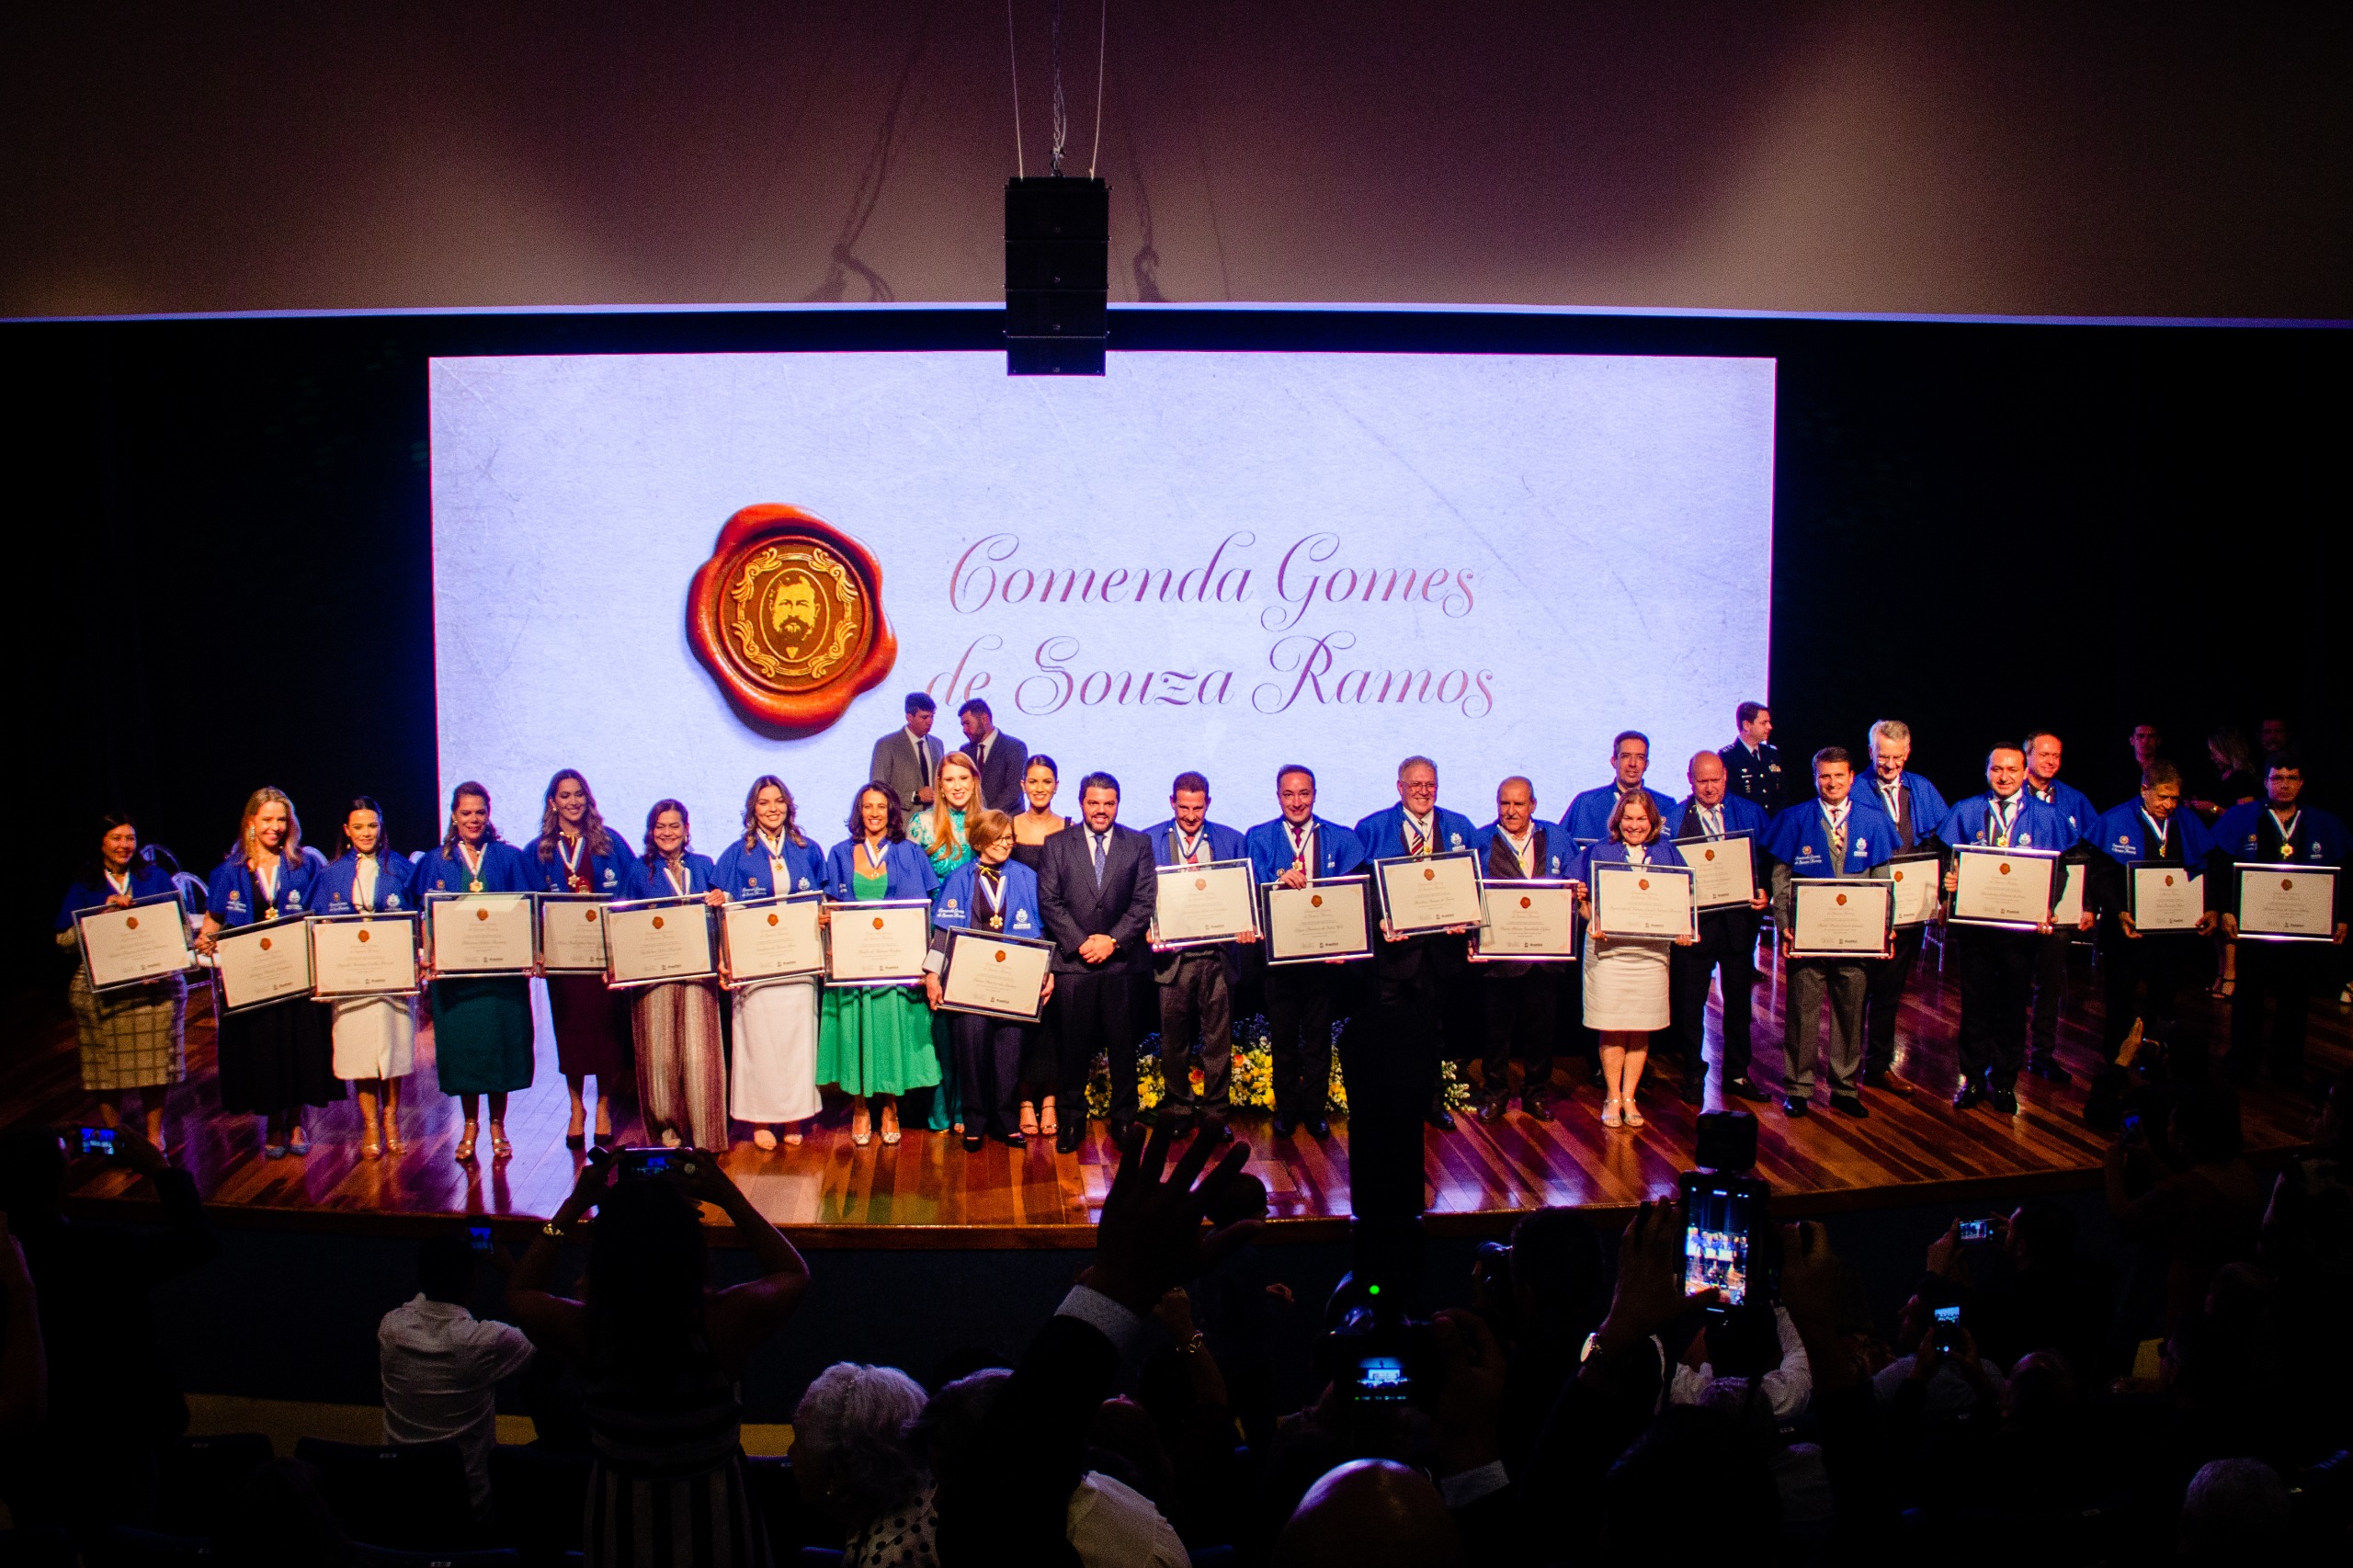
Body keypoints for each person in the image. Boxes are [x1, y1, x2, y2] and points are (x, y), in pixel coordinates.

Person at [507, 1152, 812, 1568]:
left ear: (603, 1252)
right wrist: (728, 1196)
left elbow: (520, 1291)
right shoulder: (719, 1323)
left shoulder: (588, 1331)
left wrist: (576, 1203)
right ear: (691, 1245)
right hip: (720, 1527)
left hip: (620, 1528)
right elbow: (794, 1274)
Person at [0, 1122, 217, 1535]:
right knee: (127, 1539)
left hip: (31, 1454)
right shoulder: (101, 1250)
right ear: (62, 1178)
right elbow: (199, 1242)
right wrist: (161, 1170)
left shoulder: (10, 1262)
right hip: (119, 1442)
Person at [1936, 747, 2087, 1114]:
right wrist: (1948, 883)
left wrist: (2045, 906)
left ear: (2024, 772)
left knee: (2012, 1007)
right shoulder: (1967, 810)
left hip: (2021, 933)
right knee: (1974, 1007)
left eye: (2012, 769)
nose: (2004, 776)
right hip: (1976, 930)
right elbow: (1946, 861)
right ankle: (1972, 1079)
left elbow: (2060, 871)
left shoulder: (2046, 816)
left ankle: (2004, 1082)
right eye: (1997, 769)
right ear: (1986, 770)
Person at [196, 787, 337, 1159]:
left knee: (297, 1047)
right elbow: (214, 920)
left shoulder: (305, 865)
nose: (275, 827)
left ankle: (296, 1120)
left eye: (281, 820)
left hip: (297, 977)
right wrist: (205, 939)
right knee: (263, 1051)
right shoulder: (228, 871)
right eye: (267, 819)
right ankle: (273, 1121)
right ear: (251, 823)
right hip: (251, 982)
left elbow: (321, 916)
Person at [1762, 747, 1896, 1119]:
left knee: (1851, 1013)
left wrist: (1885, 928)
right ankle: (1799, 1087)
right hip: (1807, 939)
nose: (1832, 783)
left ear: (1852, 777)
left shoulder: (1873, 820)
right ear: (1815, 778)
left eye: (1839, 776)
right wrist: (1785, 926)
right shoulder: (1796, 819)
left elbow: (1883, 883)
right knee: (1802, 1013)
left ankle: (1844, 1087)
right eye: (1825, 776)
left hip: (1857, 940)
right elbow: (1781, 880)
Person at [1355, 755, 1480, 1138]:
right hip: (1393, 953)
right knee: (1389, 1032)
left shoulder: (1459, 826)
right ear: (1400, 788)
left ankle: (1432, 1103)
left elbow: (1474, 884)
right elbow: (1362, 887)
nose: (1423, 792)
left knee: (1432, 1031)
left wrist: (1469, 920)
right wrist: (1379, 920)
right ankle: (1391, 1103)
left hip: (1440, 953)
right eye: (1416, 785)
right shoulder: (1372, 827)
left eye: (1430, 785)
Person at [2210, 752, 2348, 1092]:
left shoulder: (2321, 822)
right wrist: (2224, 909)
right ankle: (2242, 1061)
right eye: (2277, 778)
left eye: (2291, 778)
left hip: (2301, 929)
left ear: (2301, 783)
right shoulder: (2242, 819)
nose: (2283, 785)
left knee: (2296, 997)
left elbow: (2343, 875)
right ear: (2266, 782)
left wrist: (2341, 917)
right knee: (2249, 994)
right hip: (2254, 927)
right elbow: (2219, 869)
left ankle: (2287, 1066)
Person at [417, 781, 539, 1164]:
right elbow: (424, 916)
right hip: (456, 981)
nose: (473, 819)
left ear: (489, 815)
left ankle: (498, 1126)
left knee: (499, 1047)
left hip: (500, 978)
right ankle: (469, 1124)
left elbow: (527, 910)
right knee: (466, 1050)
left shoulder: (508, 857)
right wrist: (428, 957)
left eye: (480, 813)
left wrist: (532, 952)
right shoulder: (436, 860)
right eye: (466, 813)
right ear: (453, 815)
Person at [378, 1229, 536, 1520]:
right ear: (473, 1281)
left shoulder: (390, 1329)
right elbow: (549, 1335)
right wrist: (509, 1269)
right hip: (472, 1510)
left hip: (398, 1505)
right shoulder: (485, 1342)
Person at [52, 812, 187, 1152]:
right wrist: (98, 919)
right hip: (104, 993)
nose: (125, 845)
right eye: (116, 838)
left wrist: (167, 963)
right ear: (101, 842)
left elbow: (182, 927)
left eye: (130, 838)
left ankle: (155, 1136)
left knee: (155, 1067)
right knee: (106, 1071)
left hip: (152, 989)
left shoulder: (154, 877)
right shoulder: (86, 884)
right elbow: (63, 941)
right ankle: (112, 1140)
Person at [1039, 772, 1157, 1153]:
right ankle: (1072, 1121)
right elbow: (1049, 902)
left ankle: (1124, 1120)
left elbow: (1143, 901)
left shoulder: (1138, 843)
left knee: (1123, 1047)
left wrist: (1114, 941)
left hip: (1122, 964)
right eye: (1094, 803)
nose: (1101, 810)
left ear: (1117, 804)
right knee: (1073, 1048)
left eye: (1108, 803)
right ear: (1081, 803)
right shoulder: (1057, 844)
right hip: (1075, 965)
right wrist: (1081, 943)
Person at [1245, 766, 1366, 1140]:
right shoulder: (1259, 837)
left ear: (1314, 794)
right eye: (1288, 794)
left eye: (1304, 794)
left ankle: (1314, 1110)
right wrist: (1279, 876)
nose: (1296, 802)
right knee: (1282, 1038)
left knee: (1317, 1037)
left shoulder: (1338, 837)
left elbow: (1352, 896)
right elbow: (1249, 884)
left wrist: (1347, 942)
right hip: (1279, 959)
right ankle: (1287, 1109)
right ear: (1278, 796)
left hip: (1322, 959)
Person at [820, 784, 941, 1147]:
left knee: (890, 1034)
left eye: (881, 806)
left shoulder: (911, 852)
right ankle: (859, 1106)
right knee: (857, 1032)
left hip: (896, 966)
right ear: (859, 811)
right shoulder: (840, 853)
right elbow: (830, 904)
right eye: (867, 806)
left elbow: (927, 911)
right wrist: (826, 917)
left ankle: (889, 1105)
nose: (874, 813)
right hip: (855, 966)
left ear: (892, 812)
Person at [926, 808, 1053, 1151]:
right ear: (981, 839)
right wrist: (932, 975)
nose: (1005, 844)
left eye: (1009, 838)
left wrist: (1048, 972)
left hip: (1014, 984)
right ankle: (974, 1121)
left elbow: (1041, 933)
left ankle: (1007, 1122)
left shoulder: (1026, 875)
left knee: (1009, 1054)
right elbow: (942, 933)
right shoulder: (960, 877)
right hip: (968, 984)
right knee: (971, 1052)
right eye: (998, 838)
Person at [713, 776, 825, 1150]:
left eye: (778, 801)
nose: (772, 808)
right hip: (755, 964)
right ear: (753, 809)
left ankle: (794, 1113)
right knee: (757, 1040)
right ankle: (761, 1117)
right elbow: (725, 913)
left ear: (788, 806)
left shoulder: (807, 849)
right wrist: (726, 961)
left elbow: (822, 902)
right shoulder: (735, 854)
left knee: (797, 1039)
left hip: (798, 960)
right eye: (764, 802)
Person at [2086, 762, 2217, 1064]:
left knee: (2165, 997)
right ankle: (2117, 1057)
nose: (2169, 805)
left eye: (2174, 798)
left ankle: (2156, 1055)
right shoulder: (2116, 820)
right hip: (2125, 930)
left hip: (2171, 933)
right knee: (2119, 997)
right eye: (2162, 797)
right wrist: (2118, 912)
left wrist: (2210, 906)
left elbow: (2206, 870)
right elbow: (2100, 877)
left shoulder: (2186, 821)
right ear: (2144, 790)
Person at [1147, 772, 1255, 1142]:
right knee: (1173, 1040)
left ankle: (1215, 1113)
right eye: (1183, 807)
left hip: (1219, 957)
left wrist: (1245, 923)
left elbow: (1245, 892)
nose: (1190, 816)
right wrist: (1150, 928)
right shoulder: (1149, 840)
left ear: (1208, 803)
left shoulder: (1231, 839)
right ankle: (1178, 1108)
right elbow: (1143, 896)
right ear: (1171, 802)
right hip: (1173, 958)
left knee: (1217, 1040)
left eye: (1197, 807)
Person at [1574, 793, 1691, 1129]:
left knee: (1640, 1027)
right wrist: (1590, 918)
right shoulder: (1599, 851)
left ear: (1652, 822)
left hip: (1650, 956)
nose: (1634, 826)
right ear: (1617, 820)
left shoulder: (1667, 852)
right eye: (1628, 819)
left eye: (1641, 819)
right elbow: (1579, 898)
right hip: (1608, 954)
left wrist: (1682, 929)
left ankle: (1630, 1097)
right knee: (1612, 1026)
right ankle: (1612, 1096)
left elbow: (1684, 898)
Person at [531, 769, 634, 1148]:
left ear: (588, 800)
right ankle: (577, 1107)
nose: (573, 802)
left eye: (579, 795)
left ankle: (603, 1105)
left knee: (605, 1036)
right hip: (564, 963)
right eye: (565, 795)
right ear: (552, 802)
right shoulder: (539, 850)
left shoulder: (610, 844)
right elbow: (528, 909)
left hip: (603, 958)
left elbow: (631, 892)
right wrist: (536, 951)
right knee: (571, 1035)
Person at [621, 801, 731, 1151]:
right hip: (654, 977)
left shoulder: (704, 866)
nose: (667, 833)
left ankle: (706, 1137)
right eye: (660, 827)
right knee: (660, 1057)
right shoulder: (638, 871)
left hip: (699, 973)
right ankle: (667, 1135)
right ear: (651, 832)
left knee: (701, 1055)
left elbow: (722, 909)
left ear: (686, 830)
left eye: (674, 826)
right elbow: (620, 922)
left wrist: (721, 896)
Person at [313, 797, 418, 1158]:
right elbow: (320, 927)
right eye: (358, 827)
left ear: (381, 827)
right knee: (359, 1053)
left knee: (393, 1050)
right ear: (346, 830)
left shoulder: (402, 870)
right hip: (351, 978)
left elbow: (419, 922)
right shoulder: (330, 875)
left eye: (372, 826)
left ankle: (392, 1119)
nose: (366, 833)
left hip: (392, 975)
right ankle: (369, 1123)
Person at [1469, 777, 1577, 1121]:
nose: (1511, 811)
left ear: (1533, 805)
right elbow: (1466, 894)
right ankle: (1495, 1093)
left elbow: (1575, 884)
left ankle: (1535, 1093)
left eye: (1519, 804)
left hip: (1545, 955)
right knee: (1496, 1033)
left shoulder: (1557, 837)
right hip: (1499, 956)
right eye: (1505, 804)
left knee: (1541, 1031)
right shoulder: (1481, 840)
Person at [1665, 755, 1771, 1107]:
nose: (1709, 788)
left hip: (1739, 925)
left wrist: (1763, 891)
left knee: (1739, 1004)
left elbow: (1767, 863)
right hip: (1694, 928)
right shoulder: (1675, 819)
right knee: (1690, 1004)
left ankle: (1738, 1074)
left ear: (1725, 777)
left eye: (1715, 780)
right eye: (1701, 782)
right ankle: (1694, 1074)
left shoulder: (1750, 812)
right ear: (1690, 780)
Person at [1857, 720, 1949, 1096]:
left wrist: (1942, 893)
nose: (1890, 765)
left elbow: (1941, 843)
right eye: (1883, 757)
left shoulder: (1923, 788)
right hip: (1863, 906)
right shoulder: (1856, 786)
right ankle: (1844, 1069)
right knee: (1854, 992)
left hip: (1909, 911)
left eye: (1897, 757)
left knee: (1890, 992)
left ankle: (1878, 1065)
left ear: (1907, 753)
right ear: (1870, 753)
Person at [791, 1362, 936, 1565]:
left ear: (837, 1472)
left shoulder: (888, 1557)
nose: (790, 1452)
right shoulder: (921, 1496)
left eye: (799, 1440)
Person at [2021, 730, 2099, 1084]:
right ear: (2027, 756)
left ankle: (2041, 1054)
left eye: (2057, 755)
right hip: (2015, 908)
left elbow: (2092, 856)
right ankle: (2000, 1052)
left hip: (2060, 910)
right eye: (2044, 754)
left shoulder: (2073, 800)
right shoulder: (2009, 794)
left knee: (2050, 984)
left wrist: (2088, 904)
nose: (2051, 761)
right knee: (2011, 982)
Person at [911, 751, 982, 1135]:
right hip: (934, 935)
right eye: (949, 780)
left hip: (976, 935)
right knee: (939, 1026)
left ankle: (964, 1107)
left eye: (964, 779)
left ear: (974, 783)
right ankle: (941, 1105)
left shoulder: (985, 824)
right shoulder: (920, 826)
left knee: (969, 1027)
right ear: (939, 785)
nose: (957, 786)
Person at [1009, 755, 1072, 1141]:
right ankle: (1024, 1101)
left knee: (1052, 1023)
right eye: (1033, 782)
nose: (1039, 788)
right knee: (1019, 1021)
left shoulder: (1068, 828)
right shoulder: (1008, 827)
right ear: (1022, 785)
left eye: (1046, 782)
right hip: (1016, 936)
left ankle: (1050, 1100)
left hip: (1055, 935)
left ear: (1056, 786)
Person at [1560, 731, 1677, 846]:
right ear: (1614, 761)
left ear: (1646, 764)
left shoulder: (1666, 806)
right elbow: (1560, 848)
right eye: (1626, 756)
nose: (1633, 763)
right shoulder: (1585, 804)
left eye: (1640, 757)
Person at [869, 691, 945, 812]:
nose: (930, 722)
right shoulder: (887, 745)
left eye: (932, 716)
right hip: (902, 824)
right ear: (909, 717)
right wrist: (915, 796)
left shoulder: (937, 744)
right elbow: (878, 789)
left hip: (936, 821)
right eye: (924, 717)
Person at [958, 697, 1029, 814]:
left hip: (1006, 823)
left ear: (985, 719)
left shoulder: (1014, 747)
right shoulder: (965, 751)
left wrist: (985, 815)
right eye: (963, 725)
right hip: (972, 825)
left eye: (967, 723)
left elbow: (1014, 791)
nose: (965, 730)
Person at [1720, 700, 1784, 811]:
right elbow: (1729, 797)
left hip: (1774, 822)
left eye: (1769, 722)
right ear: (1747, 725)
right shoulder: (1728, 757)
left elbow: (1783, 793)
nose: (1770, 727)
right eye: (1764, 723)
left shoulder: (1772, 754)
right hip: (1745, 822)